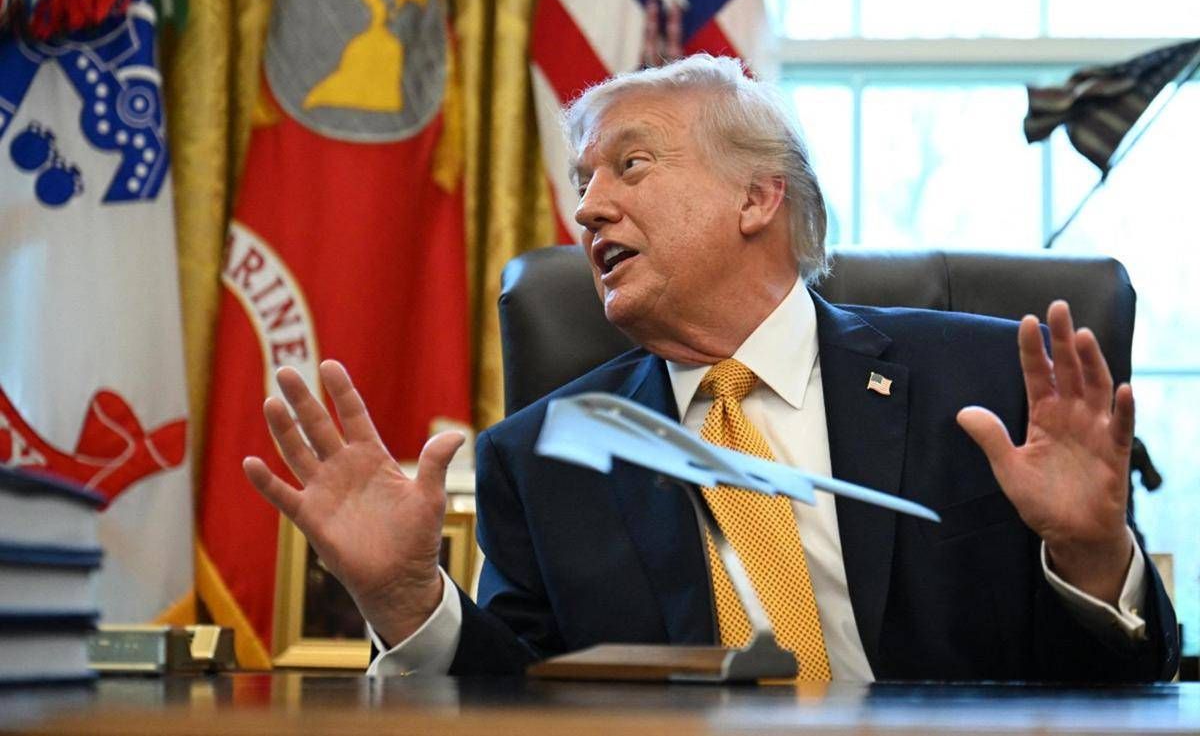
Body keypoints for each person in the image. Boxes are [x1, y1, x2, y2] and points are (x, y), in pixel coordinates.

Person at [243, 54, 1178, 681]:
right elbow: (512, 702)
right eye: (583, 182)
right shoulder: (541, 458)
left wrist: (1093, 556)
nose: (589, 209)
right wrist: (407, 598)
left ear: (757, 198)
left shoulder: (987, 383)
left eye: (630, 166)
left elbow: (1126, 682)